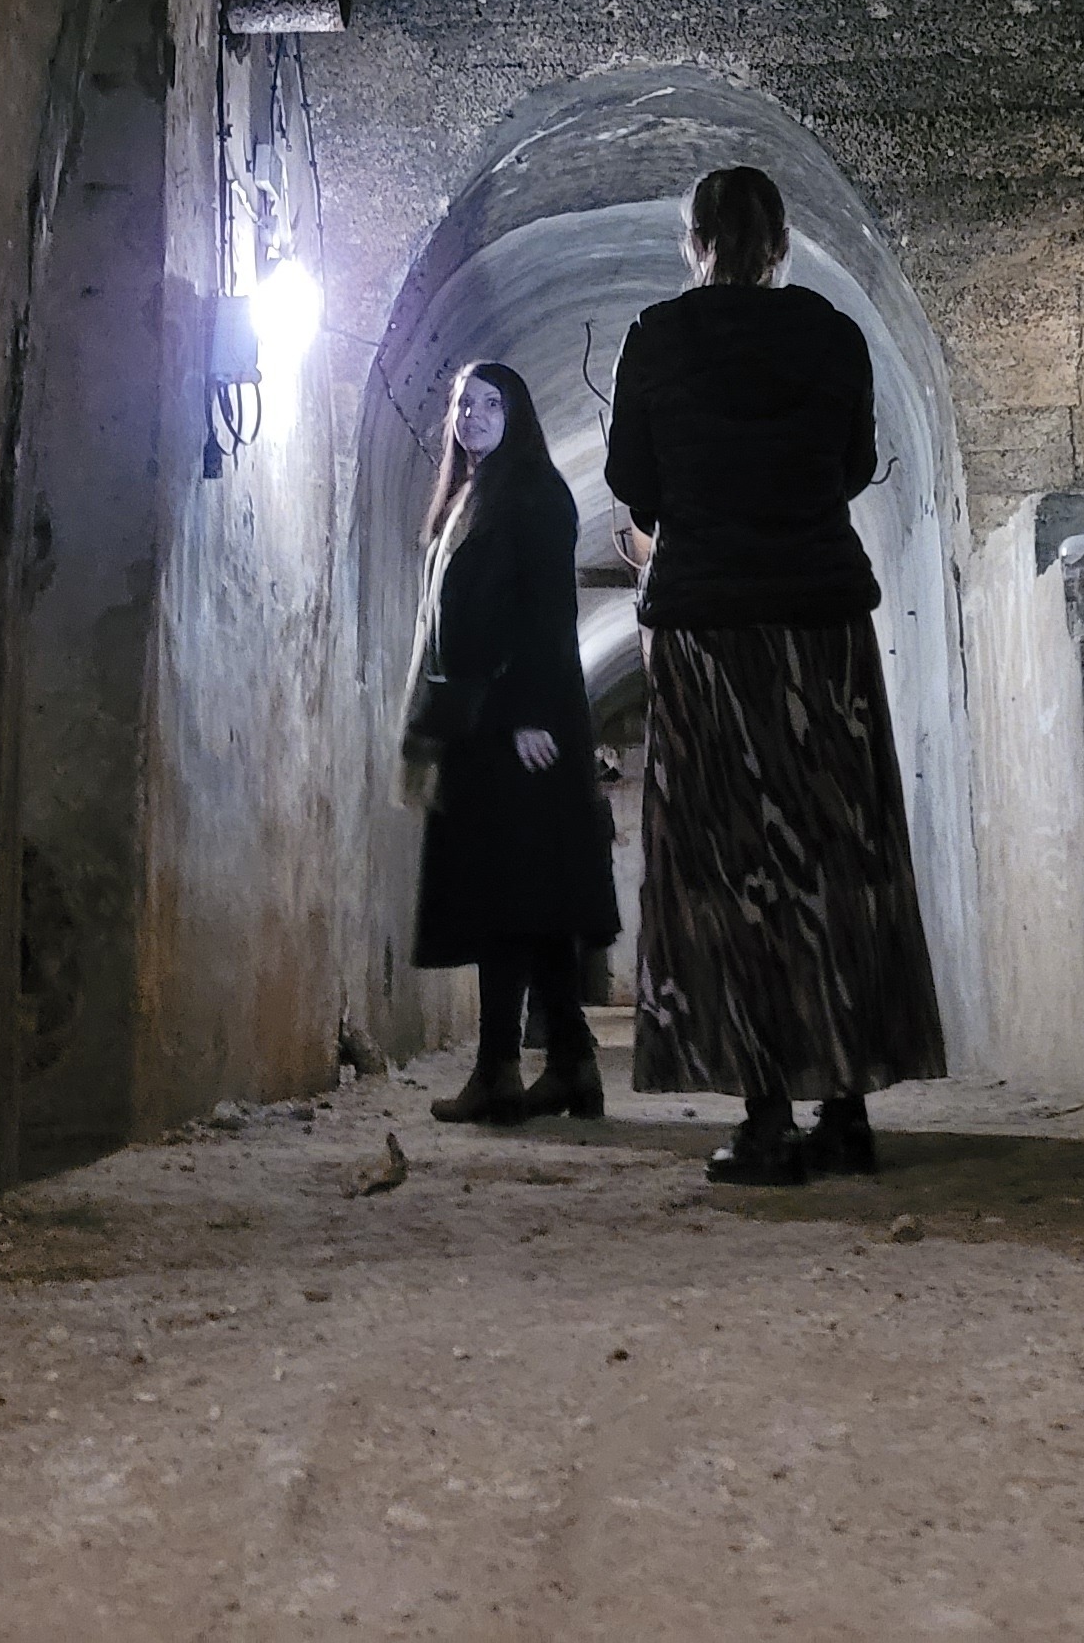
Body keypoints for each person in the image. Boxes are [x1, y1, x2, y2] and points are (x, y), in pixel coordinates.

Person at [606, 165, 947, 1183]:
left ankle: (765, 1118)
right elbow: (851, 467)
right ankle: (846, 1108)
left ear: (696, 238)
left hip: (711, 628)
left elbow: (634, 483)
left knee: (727, 867)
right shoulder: (832, 333)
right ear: (782, 239)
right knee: (841, 858)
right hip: (821, 623)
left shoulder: (658, 338)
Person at [405, 361, 623, 1124]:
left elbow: (546, 612)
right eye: (463, 401)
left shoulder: (531, 491)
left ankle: (500, 1069)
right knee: (527, 900)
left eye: (490, 402)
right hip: (482, 723)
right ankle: (570, 1065)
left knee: (508, 899)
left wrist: (529, 711)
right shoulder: (473, 496)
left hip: (517, 724)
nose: (473, 413)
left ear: (517, 413)